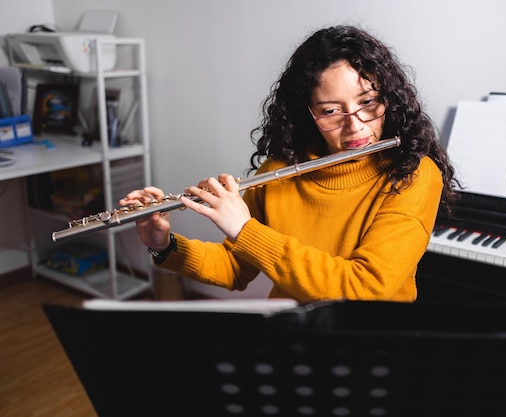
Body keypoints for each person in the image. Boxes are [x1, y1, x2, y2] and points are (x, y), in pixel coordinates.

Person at [121, 25, 459, 303]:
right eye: (330, 111)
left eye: (368, 102)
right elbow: (235, 267)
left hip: (369, 342)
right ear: (308, 113)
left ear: (389, 97)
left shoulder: (412, 174)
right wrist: (162, 245)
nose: (355, 125)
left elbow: (368, 287)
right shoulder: (276, 172)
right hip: (295, 336)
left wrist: (245, 230)